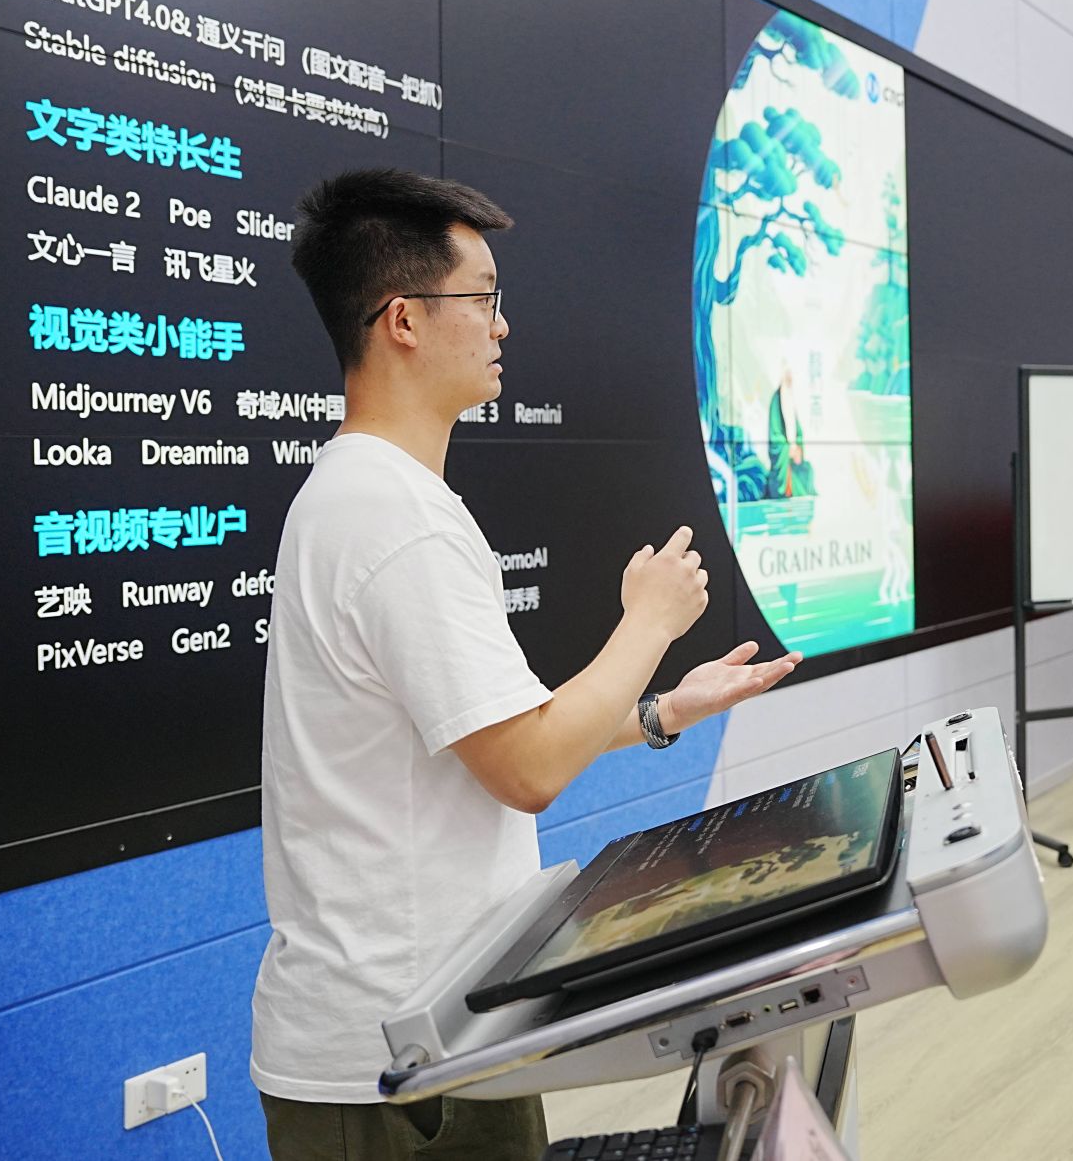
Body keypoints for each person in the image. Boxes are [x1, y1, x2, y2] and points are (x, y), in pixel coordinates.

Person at [251, 168, 801, 1160]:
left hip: (433, 1034)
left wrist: (665, 708)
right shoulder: (395, 519)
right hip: (396, 1067)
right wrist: (649, 622)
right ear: (403, 319)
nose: (502, 325)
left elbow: (497, 737)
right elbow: (529, 767)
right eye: (483, 297)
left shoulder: (373, 497)